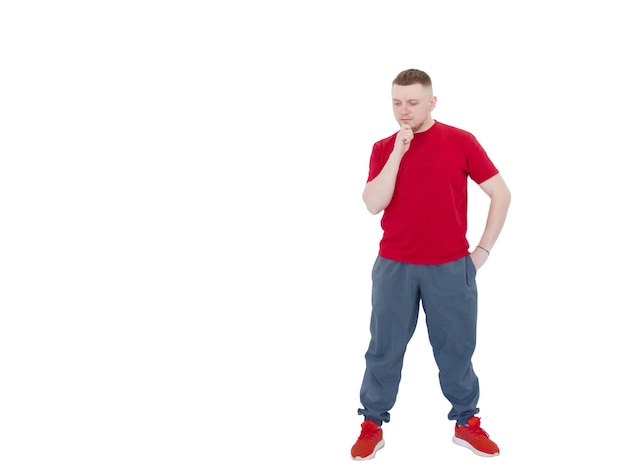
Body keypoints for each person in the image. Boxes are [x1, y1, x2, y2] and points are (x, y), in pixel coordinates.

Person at [351, 69, 511, 460]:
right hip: (394, 267)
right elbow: (373, 203)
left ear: (432, 102)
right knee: (384, 348)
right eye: (397, 103)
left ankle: (466, 423)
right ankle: (372, 422)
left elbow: (501, 194)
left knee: (456, 348)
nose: (404, 111)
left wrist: (482, 252)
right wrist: (398, 152)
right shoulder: (383, 147)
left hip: (450, 268)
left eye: (413, 102)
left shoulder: (460, 141)